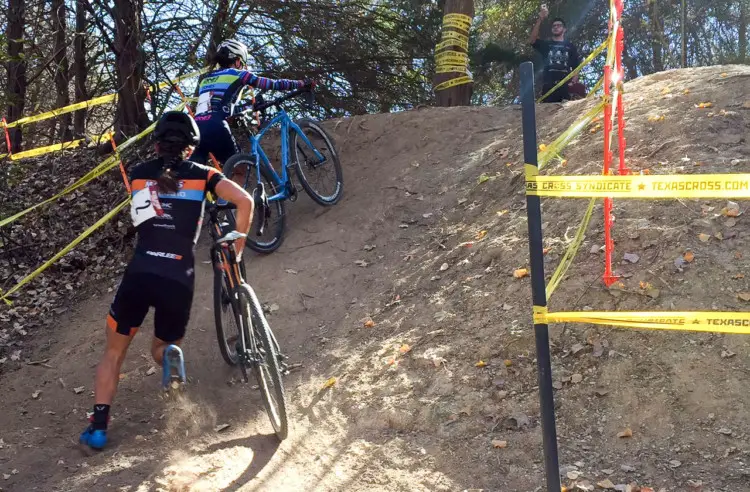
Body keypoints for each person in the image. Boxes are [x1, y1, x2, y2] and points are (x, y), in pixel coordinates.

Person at [79, 111, 254, 450]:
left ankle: (98, 428)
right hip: (179, 275)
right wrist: (240, 243)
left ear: (157, 143)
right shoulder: (205, 175)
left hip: (141, 272)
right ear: (192, 147)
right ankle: (169, 356)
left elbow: (152, 199)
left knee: (113, 353)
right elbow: (244, 201)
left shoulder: (137, 174)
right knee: (162, 345)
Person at [191, 38, 315, 166]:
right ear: (238, 60)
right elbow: (272, 84)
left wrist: (251, 106)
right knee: (239, 168)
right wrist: (300, 84)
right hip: (216, 125)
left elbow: (220, 107)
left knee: (196, 173)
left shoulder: (205, 80)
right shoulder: (239, 74)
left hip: (195, 127)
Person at [529, 6, 582, 102]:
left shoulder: (570, 47)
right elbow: (532, 40)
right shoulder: (546, 45)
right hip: (548, 86)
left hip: (565, 86)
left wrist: (574, 82)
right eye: (554, 26)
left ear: (564, 29)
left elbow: (576, 67)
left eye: (559, 25)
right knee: (548, 113)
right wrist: (540, 19)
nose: (556, 27)